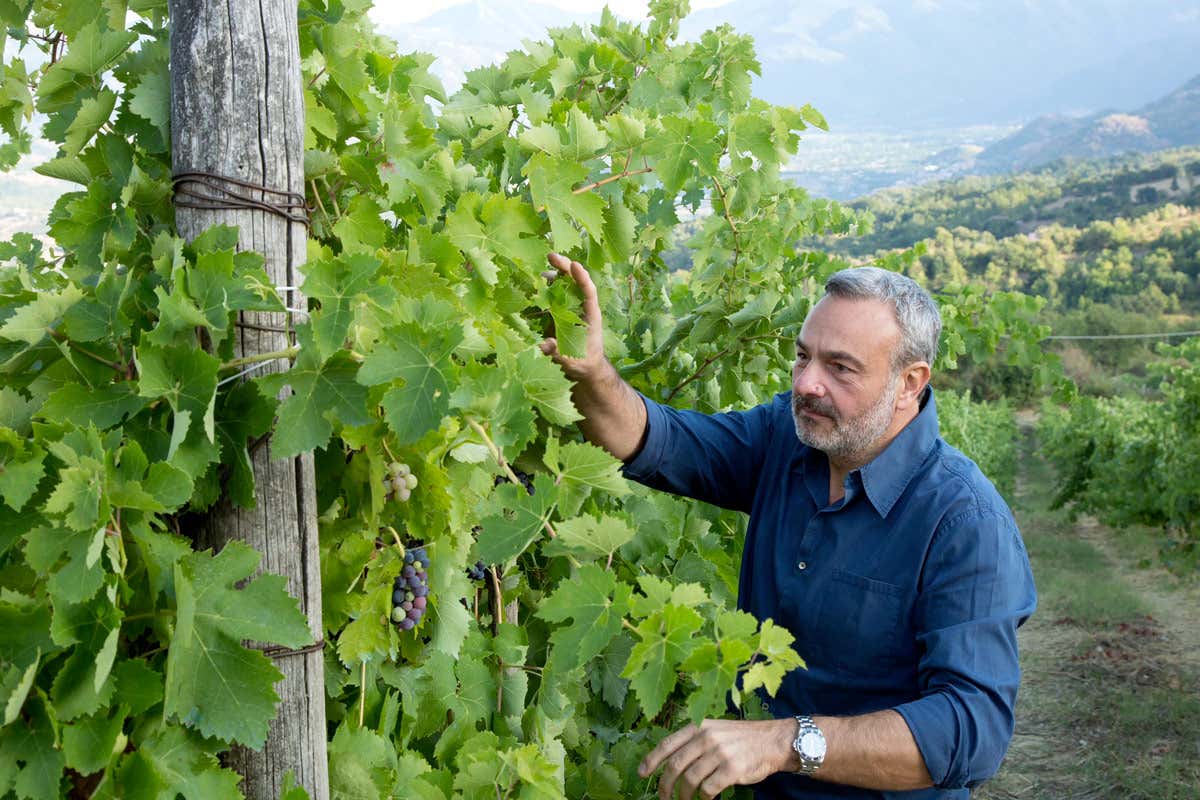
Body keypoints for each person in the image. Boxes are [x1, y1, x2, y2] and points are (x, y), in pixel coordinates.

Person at [539, 252, 1037, 800]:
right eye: (803, 357)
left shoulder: (964, 522)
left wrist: (783, 743)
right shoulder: (787, 438)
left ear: (909, 383)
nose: (807, 384)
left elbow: (972, 733)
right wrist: (590, 371)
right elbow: (661, 441)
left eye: (840, 368)